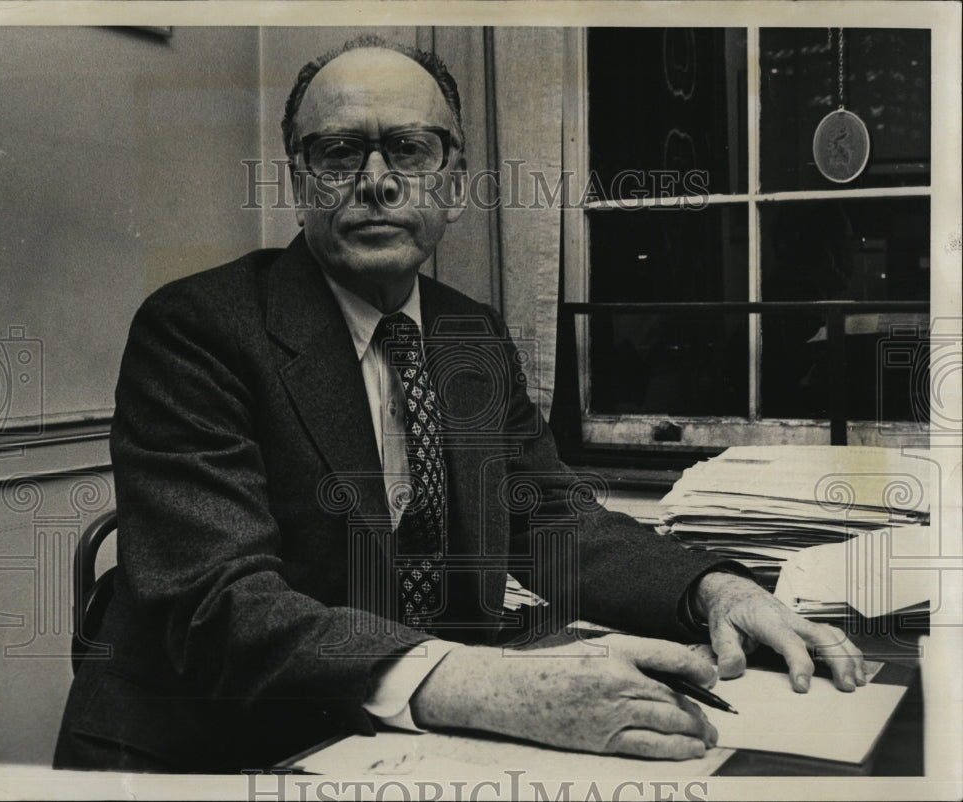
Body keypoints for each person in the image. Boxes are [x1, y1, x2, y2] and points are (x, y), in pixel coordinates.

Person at [54, 36, 865, 774]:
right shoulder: (197, 328)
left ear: (454, 179)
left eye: (409, 148)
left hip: (397, 744)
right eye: (338, 153)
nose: (375, 181)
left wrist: (714, 590)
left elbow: (549, 520)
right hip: (207, 748)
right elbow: (215, 604)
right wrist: (491, 686)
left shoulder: (466, 332)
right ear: (299, 179)